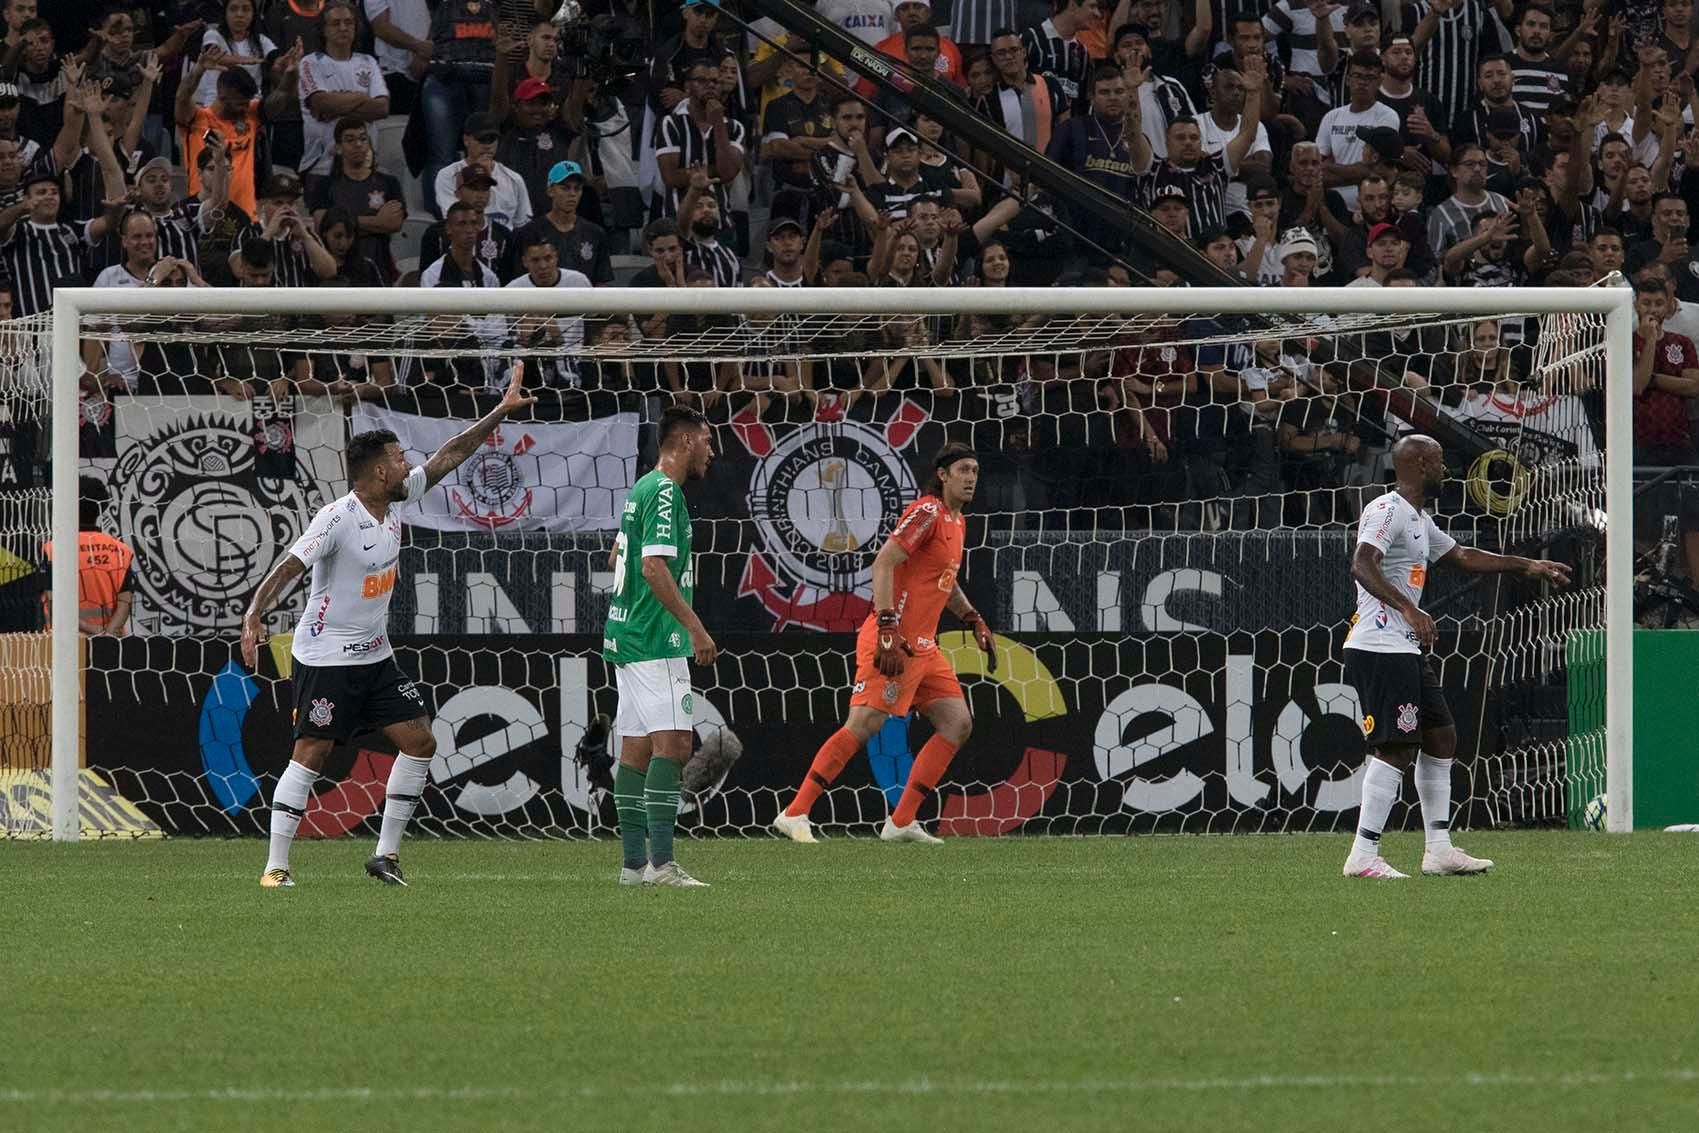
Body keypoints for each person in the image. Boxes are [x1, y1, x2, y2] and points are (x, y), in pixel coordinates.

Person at [240, 363, 537, 889]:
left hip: (374, 656)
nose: (408, 465)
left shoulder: (396, 501)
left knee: (420, 741)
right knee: (313, 752)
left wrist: (498, 413)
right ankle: (274, 867)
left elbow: (450, 455)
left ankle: (386, 857)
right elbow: (290, 566)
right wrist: (254, 613)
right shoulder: (336, 518)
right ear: (379, 471)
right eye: (399, 459)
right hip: (327, 656)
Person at [1341, 434, 1571, 880]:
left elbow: (1462, 556)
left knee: (1441, 736)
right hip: (1380, 644)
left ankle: (1439, 849)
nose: (1448, 469)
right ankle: (1363, 854)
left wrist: (1527, 565)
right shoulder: (1386, 510)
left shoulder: (1418, 518)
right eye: (1442, 460)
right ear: (1423, 463)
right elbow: (1362, 563)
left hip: (1404, 646)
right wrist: (1408, 606)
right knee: (1398, 746)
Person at [772, 442, 998, 845]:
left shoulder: (958, 522)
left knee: (957, 723)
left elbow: (942, 581)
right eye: (963, 470)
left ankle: (901, 821)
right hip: (894, 640)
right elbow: (884, 562)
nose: (970, 478)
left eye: (975, 472)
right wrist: (888, 628)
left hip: (925, 648)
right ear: (943, 475)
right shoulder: (927, 511)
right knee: (863, 725)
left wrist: (972, 616)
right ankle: (795, 812)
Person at [605, 405, 718, 888]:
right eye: (708, 441)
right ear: (687, 442)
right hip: (656, 639)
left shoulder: (642, 488)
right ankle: (663, 865)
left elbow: (616, 553)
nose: (712, 452)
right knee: (675, 743)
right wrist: (694, 627)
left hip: (625, 637)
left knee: (635, 750)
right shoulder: (667, 492)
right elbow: (652, 567)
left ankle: (634, 866)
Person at [42, 481, 135, 635]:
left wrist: (90, 631)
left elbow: (53, 603)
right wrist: (107, 634)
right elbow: (125, 603)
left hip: (64, 642)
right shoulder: (120, 550)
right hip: (110, 643)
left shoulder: (52, 549)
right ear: (101, 507)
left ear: (67, 505)